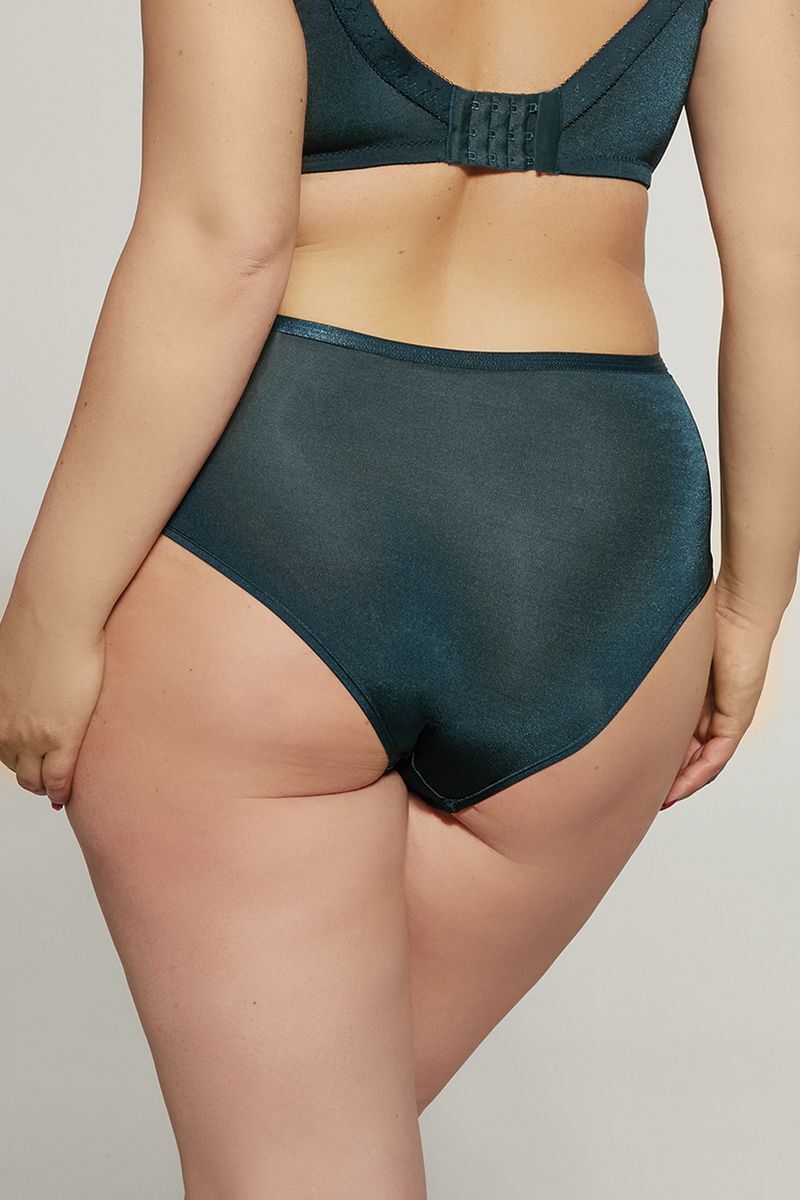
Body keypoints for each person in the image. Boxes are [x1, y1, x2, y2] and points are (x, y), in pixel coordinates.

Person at [1, 0, 798, 1195]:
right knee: (320, 1151)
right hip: (604, 551)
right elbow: (783, 266)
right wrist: (748, 606)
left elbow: (223, 240)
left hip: (283, 523)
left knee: (293, 1163)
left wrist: (47, 618)